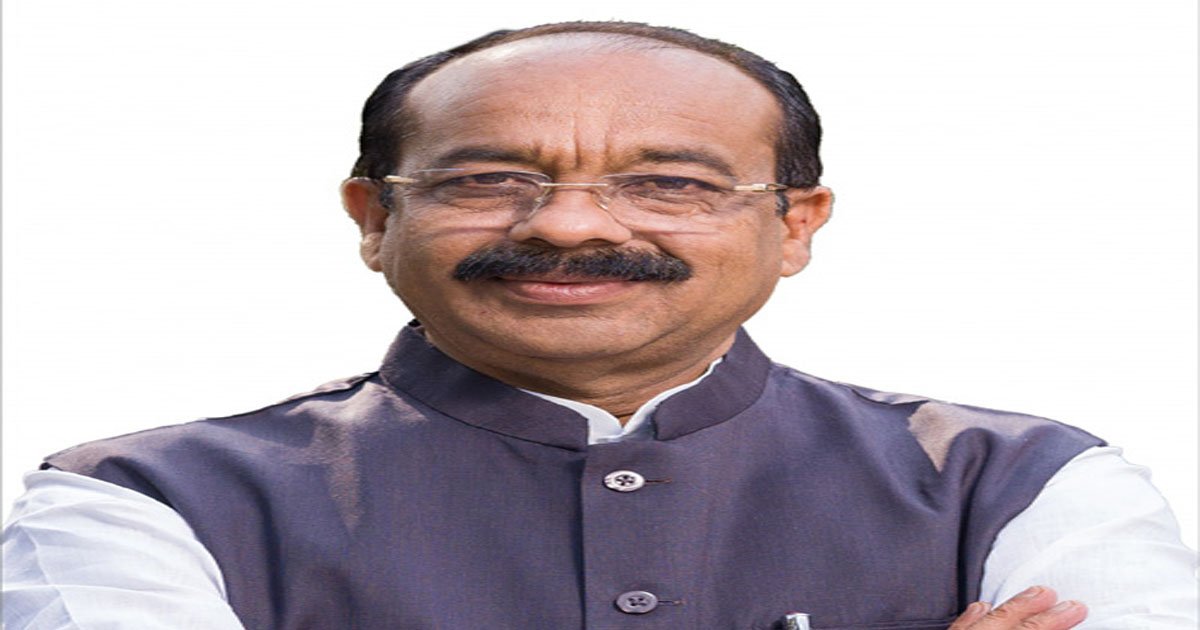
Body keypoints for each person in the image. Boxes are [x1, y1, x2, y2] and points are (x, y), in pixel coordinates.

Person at [3, 21, 1195, 630]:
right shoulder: (139, 503)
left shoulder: (1029, 484)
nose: (570, 224)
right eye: (486, 179)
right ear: (374, 218)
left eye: (669, 183)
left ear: (794, 224)